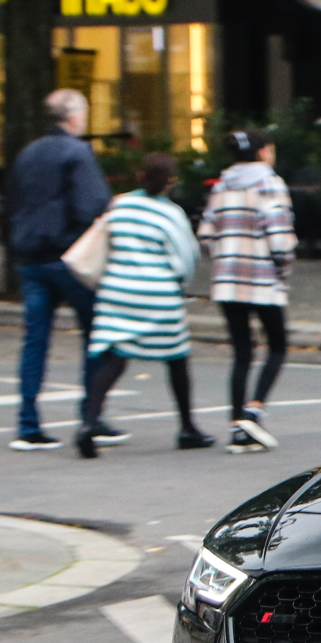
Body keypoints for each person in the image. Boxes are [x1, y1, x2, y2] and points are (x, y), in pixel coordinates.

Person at [74, 153, 212, 459]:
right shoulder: (171, 214)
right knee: (176, 359)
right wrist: (180, 284)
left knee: (113, 360)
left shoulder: (120, 205)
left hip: (117, 291)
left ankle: (88, 422)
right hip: (157, 295)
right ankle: (188, 427)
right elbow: (186, 257)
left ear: (140, 175)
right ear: (171, 182)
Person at [5, 88, 112, 451]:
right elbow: (91, 206)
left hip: (30, 256)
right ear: (73, 116)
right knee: (95, 337)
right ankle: (90, 416)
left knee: (35, 340)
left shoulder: (28, 152)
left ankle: (28, 422)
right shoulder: (77, 152)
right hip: (69, 256)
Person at [197, 129, 296, 452]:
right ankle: (254, 410)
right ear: (264, 151)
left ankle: (237, 426)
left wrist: (223, 260)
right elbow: (280, 236)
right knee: (278, 345)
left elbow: (207, 232)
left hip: (227, 279)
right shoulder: (270, 183)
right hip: (263, 278)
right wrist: (282, 269)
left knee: (242, 352)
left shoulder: (221, 185)